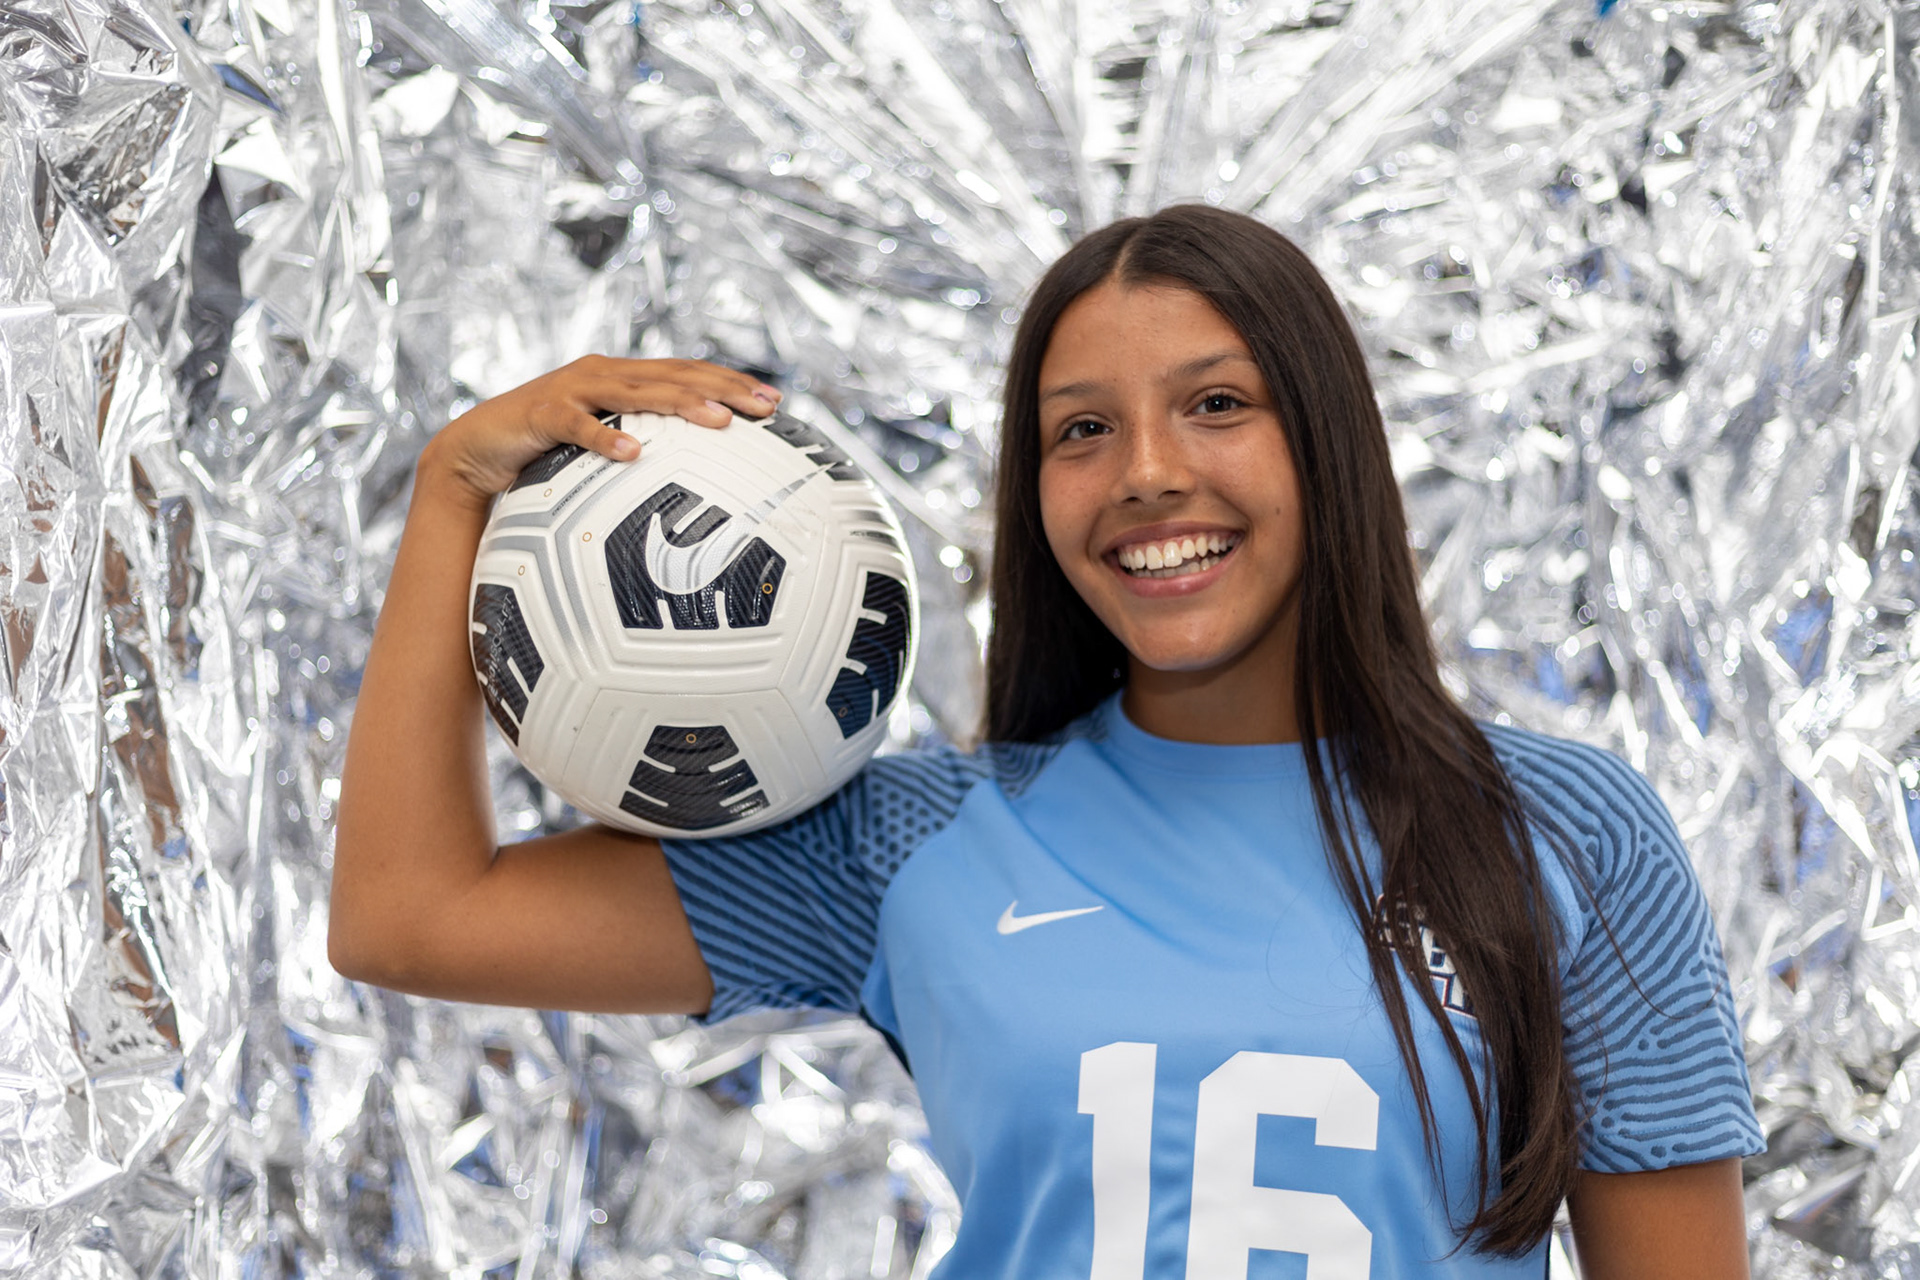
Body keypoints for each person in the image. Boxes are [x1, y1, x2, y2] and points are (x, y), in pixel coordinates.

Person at [330, 205, 1764, 1278]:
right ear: (1037, 493)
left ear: (1327, 442)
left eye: (1217, 405)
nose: (1147, 474)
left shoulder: (1565, 830)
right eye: (1082, 431)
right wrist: (457, 489)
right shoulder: (913, 841)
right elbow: (410, 913)